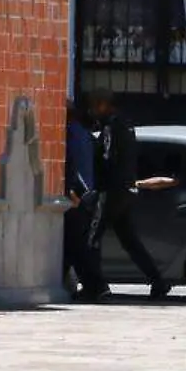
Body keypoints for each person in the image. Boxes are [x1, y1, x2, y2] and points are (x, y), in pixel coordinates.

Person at [86, 88, 170, 300]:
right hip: (127, 189)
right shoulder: (126, 125)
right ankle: (158, 281)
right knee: (129, 240)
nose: (92, 111)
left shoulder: (110, 126)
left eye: (94, 106)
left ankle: (96, 287)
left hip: (110, 190)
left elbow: (106, 158)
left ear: (103, 105)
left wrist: (97, 184)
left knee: (91, 238)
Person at [62, 98, 101, 299]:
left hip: (76, 196)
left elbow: (69, 164)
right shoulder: (84, 134)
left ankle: (95, 286)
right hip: (88, 195)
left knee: (74, 245)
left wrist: (71, 190)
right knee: (75, 244)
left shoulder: (68, 135)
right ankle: (90, 286)